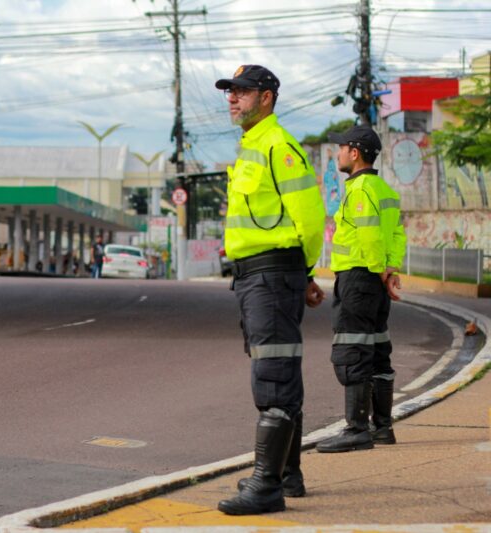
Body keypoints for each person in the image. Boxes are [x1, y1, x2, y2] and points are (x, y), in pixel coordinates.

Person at [214, 65, 326, 516]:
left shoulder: (279, 148)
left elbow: (311, 218)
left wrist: (305, 269)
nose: (232, 99)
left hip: (272, 274)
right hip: (258, 275)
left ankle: (266, 487)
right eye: (230, 92)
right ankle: (287, 475)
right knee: (276, 367)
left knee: (273, 375)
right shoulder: (252, 148)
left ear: (267, 98)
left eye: (242, 92)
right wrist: (305, 276)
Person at [315, 125, 406, 454]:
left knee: (353, 351)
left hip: (359, 278)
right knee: (379, 351)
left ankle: (356, 429)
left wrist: (380, 271)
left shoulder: (360, 189)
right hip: (376, 282)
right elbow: (395, 235)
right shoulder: (384, 190)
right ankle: (382, 428)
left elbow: (369, 237)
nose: (337, 153)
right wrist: (391, 270)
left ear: (355, 153)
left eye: (341, 148)